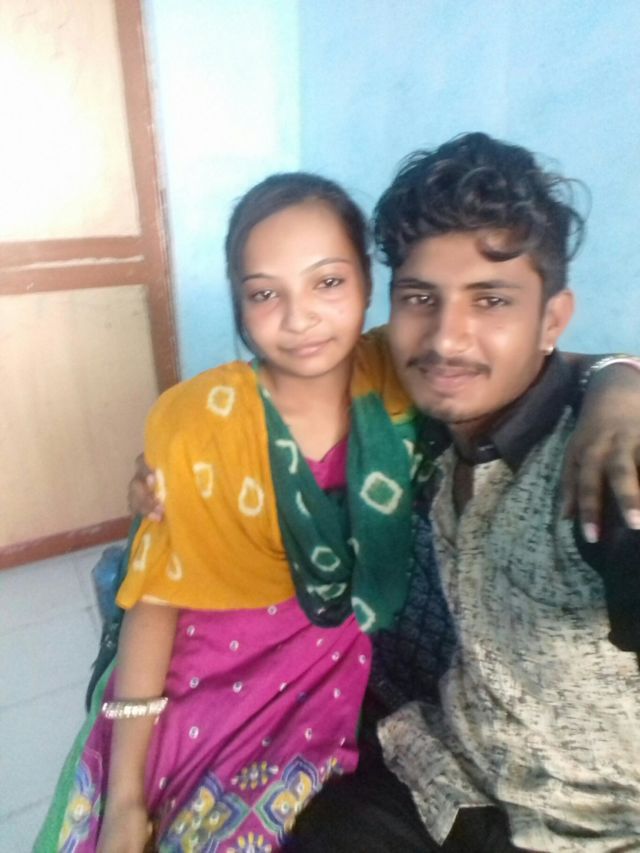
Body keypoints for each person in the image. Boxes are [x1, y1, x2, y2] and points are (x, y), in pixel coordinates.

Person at [36, 173, 420, 852]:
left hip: (311, 689)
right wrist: (125, 799)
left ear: (368, 284)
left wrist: (612, 381)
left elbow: (522, 356)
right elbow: (155, 601)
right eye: (266, 293)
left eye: (328, 282)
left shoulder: (404, 379)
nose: (299, 317)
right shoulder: (201, 425)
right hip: (194, 678)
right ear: (241, 306)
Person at [286, 133, 640, 852]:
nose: (447, 339)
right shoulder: (422, 420)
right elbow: (248, 415)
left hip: (593, 830)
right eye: (421, 298)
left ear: (551, 320)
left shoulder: (604, 465)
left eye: (491, 300)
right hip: (452, 773)